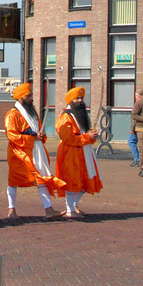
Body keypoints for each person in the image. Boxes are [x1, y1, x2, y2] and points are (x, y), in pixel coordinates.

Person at [4, 83, 63, 219]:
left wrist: (41, 136)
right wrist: (32, 138)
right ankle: (11, 210)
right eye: (28, 96)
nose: (31, 98)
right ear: (20, 98)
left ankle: (49, 210)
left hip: (37, 150)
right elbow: (11, 135)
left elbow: (39, 130)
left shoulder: (33, 113)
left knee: (41, 178)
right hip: (20, 153)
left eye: (31, 95)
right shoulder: (12, 115)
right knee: (14, 180)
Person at [55, 86, 101, 218]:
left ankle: (73, 205)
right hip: (70, 154)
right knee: (71, 181)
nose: (80, 101)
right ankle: (70, 210)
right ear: (70, 101)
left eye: (81, 98)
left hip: (84, 153)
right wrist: (87, 137)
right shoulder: (65, 118)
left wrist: (91, 137)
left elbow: (83, 136)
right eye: (77, 98)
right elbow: (68, 138)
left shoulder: (80, 117)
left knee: (87, 180)